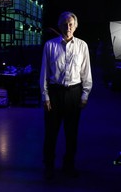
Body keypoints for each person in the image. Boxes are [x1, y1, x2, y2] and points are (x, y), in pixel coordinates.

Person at [40, 11, 93, 180]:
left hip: (74, 93)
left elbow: (86, 73)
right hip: (54, 94)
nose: (68, 27)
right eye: (65, 24)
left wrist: (84, 95)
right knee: (51, 133)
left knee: (71, 134)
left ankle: (68, 166)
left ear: (75, 26)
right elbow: (44, 73)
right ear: (59, 26)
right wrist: (45, 96)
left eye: (71, 24)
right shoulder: (50, 45)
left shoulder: (83, 46)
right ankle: (49, 166)